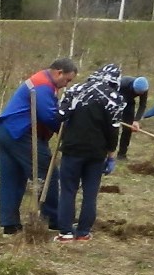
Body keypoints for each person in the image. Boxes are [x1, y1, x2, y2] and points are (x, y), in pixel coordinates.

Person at [0, 57, 77, 235]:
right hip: (21, 132)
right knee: (47, 172)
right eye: (67, 80)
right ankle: (54, 219)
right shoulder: (43, 86)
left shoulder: (42, 81)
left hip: (7, 129)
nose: (66, 84)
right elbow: (49, 116)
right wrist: (70, 135)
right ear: (59, 72)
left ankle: (10, 224)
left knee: (13, 177)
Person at [54, 64, 132, 242]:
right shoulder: (115, 98)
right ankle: (83, 232)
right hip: (97, 153)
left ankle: (65, 232)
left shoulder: (76, 89)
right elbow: (114, 130)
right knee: (90, 192)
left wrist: (67, 131)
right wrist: (111, 155)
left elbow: (59, 116)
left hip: (72, 149)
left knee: (68, 190)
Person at [114, 72, 152, 160]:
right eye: (137, 92)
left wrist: (136, 120)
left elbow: (142, 105)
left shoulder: (144, 89)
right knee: (113, 127)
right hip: (116, 101)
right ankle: (108, 151)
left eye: (141, 93)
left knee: (128, 129)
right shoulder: (122, 83)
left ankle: (122, 154)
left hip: (129, 104)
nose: (139, 94)